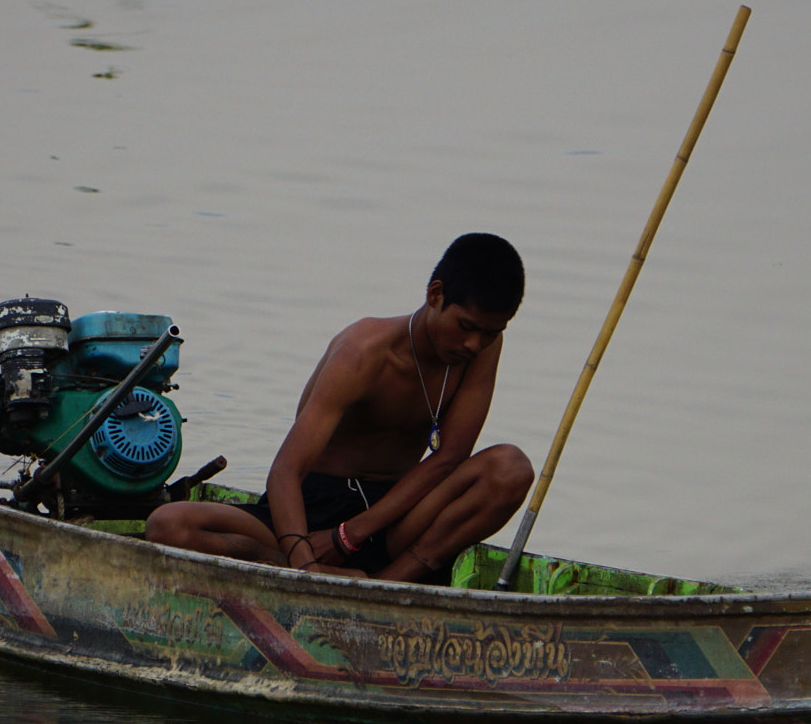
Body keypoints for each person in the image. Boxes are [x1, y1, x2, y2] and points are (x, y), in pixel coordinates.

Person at [146, 233, 534, 583]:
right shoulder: (363, 351)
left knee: (510, 469)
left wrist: (353, 534)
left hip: (394, 514)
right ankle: (310, 574)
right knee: (170, 524)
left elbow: (449, 458)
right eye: (465, 326)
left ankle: (389, 583)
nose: (473, 344)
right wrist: (305, 561)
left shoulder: (480, 350)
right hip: (313, 510)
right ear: (435, 295)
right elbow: (286, 471)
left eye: (490, 332)